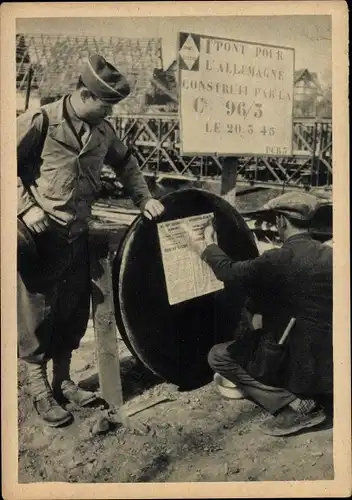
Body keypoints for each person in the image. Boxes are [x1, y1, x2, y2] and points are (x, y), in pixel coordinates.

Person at [17, 54, 165, 427]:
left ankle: (63, 381)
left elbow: (127, 163)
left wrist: (144, 198)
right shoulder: (42, 121)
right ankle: (38, 389)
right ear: (85, 95)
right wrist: (23, 208)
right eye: (107, 104)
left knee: (71, 312)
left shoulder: (102, 131)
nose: (111, 113)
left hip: (77, 235)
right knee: (37, 315)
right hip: (41, 234)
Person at [184, 192, 333, 436]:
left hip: (302, 366)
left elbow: (228, 272)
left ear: (281, 222)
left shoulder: (277, 259)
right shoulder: (330, 255)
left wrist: (206, 245)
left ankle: (295, 406)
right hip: (330, 365)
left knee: (219, 356)